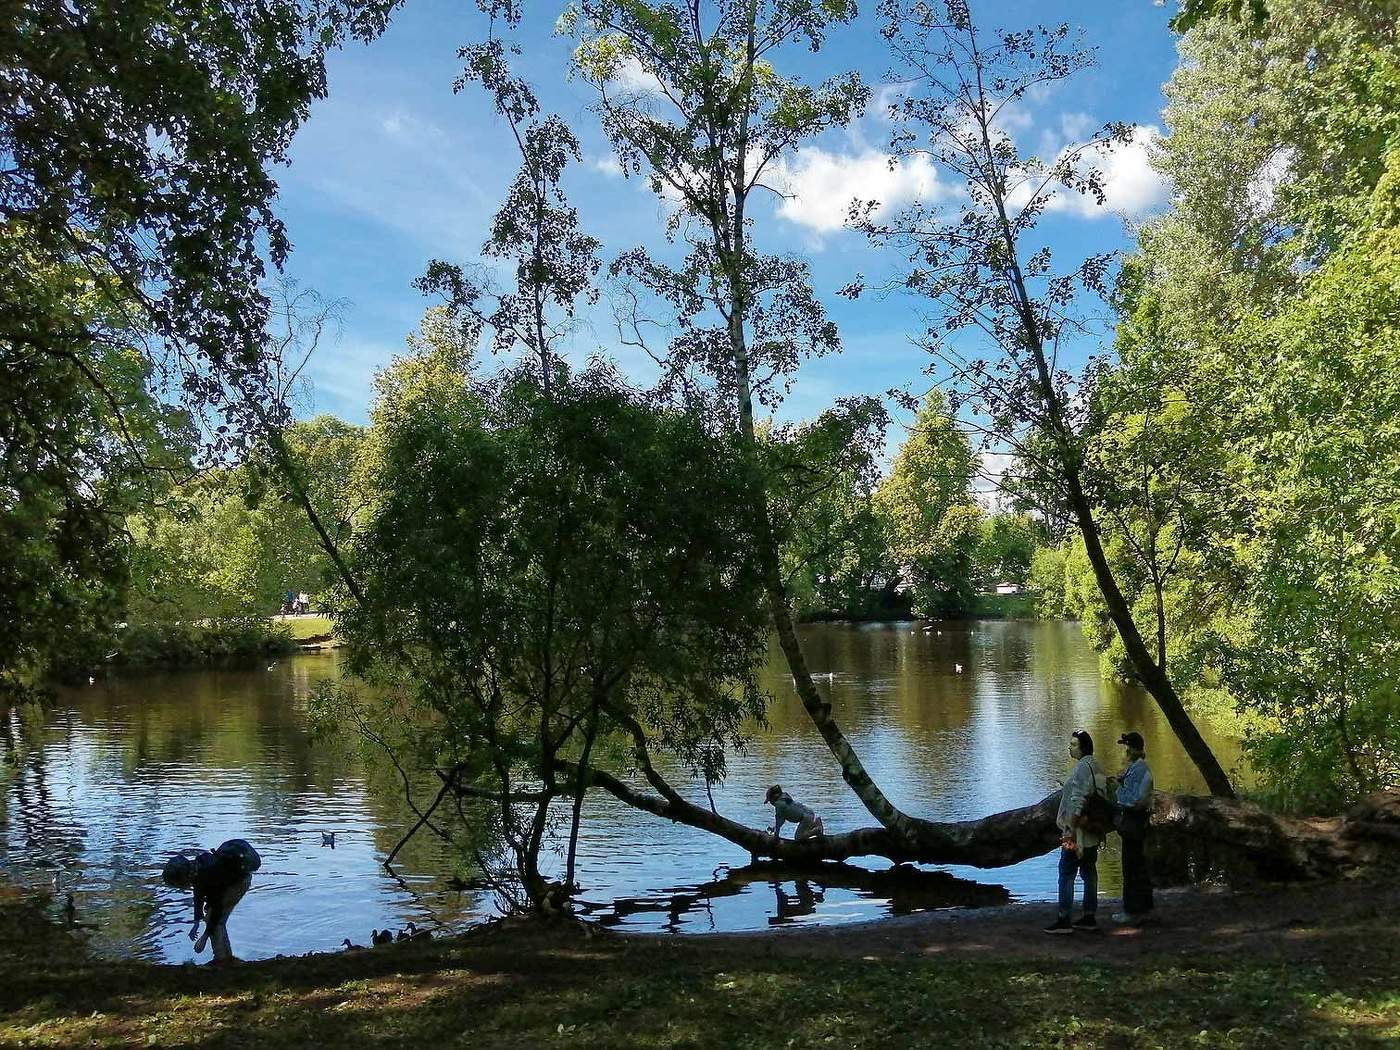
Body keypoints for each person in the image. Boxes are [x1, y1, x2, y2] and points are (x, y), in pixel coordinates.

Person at [1045, 729, 1108, 934]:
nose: (1069, 748)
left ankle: (1064, 919)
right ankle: (1089, 916)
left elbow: (1078, 800)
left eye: (1073, 744)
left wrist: (1070, 830)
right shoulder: (1096, 765)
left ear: (1082, 747)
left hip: (1077, 831)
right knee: (1089, 872)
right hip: (1092, 830)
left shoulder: (1081, 768)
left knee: (1066, 873)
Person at [162, 838, 261, 962]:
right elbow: (198, 893)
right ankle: (224, 956)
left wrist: (204, 937)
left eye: (177, 886)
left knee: (215, 921)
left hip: (239, 882)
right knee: (211, 917)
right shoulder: (197, 866)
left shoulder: (208, 875)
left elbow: (217, 909)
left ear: (182, 880)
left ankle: (222, 960)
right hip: (230, 878)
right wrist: (196, 921)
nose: (180, 889)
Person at [1113, 731, 1155, 925]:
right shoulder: (1136, 768)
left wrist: (1116, 788)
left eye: (1126, 747)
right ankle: (1144, 908)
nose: (1125, 751)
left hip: (1134, 823)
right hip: (1136, 823)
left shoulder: (1139, 769)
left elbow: (1135, 800)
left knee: (1131, 867)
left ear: (1133, 749)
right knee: (1137, 866)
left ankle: (1132, 911)